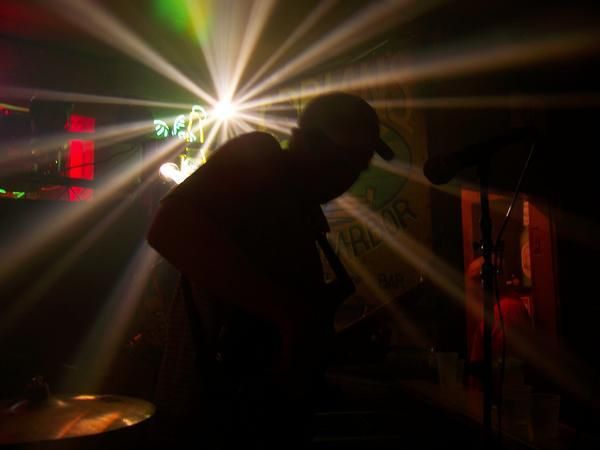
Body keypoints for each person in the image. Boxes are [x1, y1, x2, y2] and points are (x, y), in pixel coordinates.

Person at [145, 92, 394, 449]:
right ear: (317, 146)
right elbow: (169, 228)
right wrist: (288, 315)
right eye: (351, 163)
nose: (351, 178)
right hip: (209, 422)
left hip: (258, 420)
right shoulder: (259, 156)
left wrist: (337, 345)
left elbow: (270, 339)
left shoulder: (302, 212)